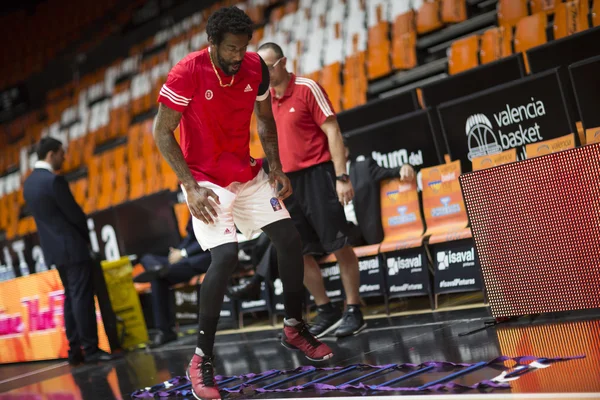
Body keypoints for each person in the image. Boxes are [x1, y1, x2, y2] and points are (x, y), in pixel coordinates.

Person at [152, 7, 333, 400]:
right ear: (212, 43)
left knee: (289, 238)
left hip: (247, 171)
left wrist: (277, 166)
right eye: (230, 48)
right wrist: (189, 185)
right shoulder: (187, 72)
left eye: (243, 47)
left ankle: (293, 326)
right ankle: (201, 359)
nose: (238, 56)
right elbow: (161, 132)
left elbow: (265, 120)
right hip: (202, 179)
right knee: (226, 256)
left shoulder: (255, 68)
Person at [257, 42, 364, 339]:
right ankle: (326, 308)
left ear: (282, 63)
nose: (263, 73)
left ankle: (354, 308)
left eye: (268, 66)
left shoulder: (306, 88)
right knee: (297, 251)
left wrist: (342, 176)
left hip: (318, 175)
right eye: (259, 68)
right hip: (286, 183)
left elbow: (333, 130)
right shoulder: (262, 101)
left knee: (338, 243)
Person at [22, 137, 117, 365]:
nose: (64, 157)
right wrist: (85, 239)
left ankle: (75, 350)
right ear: (51, 154)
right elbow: (75, 216)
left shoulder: (29, 184)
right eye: (61, 153)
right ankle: (91, 350)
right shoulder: (53, 181)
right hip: (72, 248)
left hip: (54, 251)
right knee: (81, 298)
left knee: (70, 297)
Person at [134, 216, 212, 348]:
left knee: (158, 278)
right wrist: (177, 252)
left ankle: (164, 331)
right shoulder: (193, 207)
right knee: (147, 258)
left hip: (201, 258)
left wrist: (183, 253)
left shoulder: (212, 202)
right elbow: (190, 237)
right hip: (183, 259)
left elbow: (212, 236)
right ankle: (158, 268)